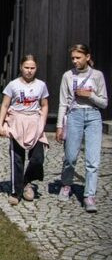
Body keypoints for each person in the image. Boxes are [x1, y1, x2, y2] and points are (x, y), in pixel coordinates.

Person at [55, 44, 107, 213]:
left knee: (93, 160)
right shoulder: (68, 76)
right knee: (70, 157)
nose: (75, 61)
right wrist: (59, 126)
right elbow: (63, 102)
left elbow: (104, 102)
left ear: (87, 57)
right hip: (74, 116)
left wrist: (90, 95)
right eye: (73, 58)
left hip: (93, 116)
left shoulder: (97, 76)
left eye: (78, 57)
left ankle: (89, 195)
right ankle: (66, 184)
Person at [0, 55, 49, 205]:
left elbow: (44, 105)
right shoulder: (13, 85)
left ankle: (26, 181)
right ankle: (16, 191)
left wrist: (42, 123)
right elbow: (5, 106)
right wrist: (1, 125)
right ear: (21, 67)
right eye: (26, 67)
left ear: (36, 68)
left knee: (38, 158)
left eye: (32, 68)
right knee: (17, 158)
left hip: (35, 122)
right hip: (18, 122)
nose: (29, 71)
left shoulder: (41, 85)